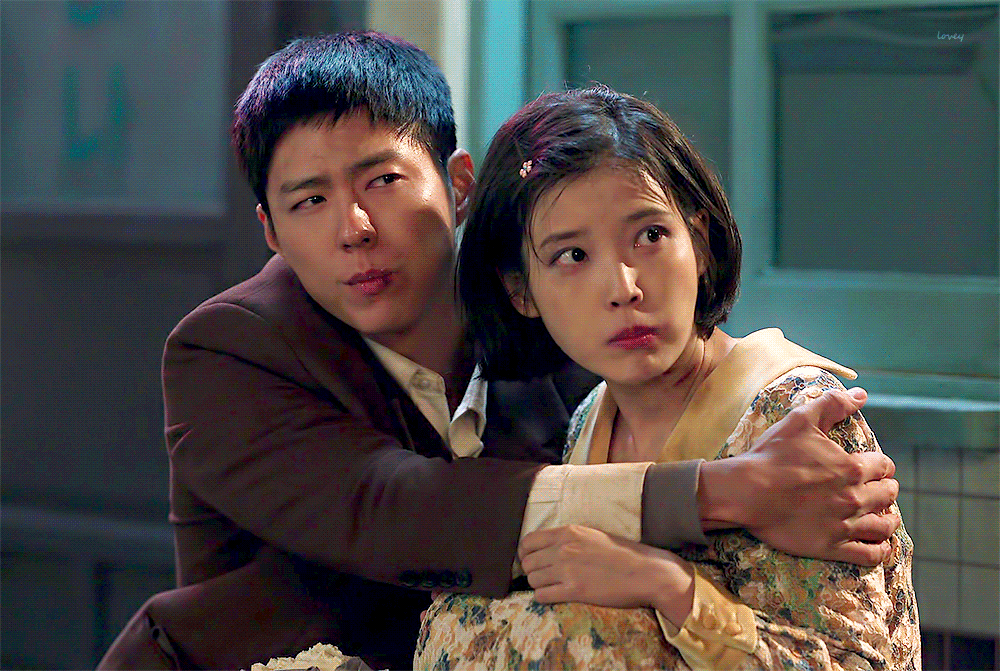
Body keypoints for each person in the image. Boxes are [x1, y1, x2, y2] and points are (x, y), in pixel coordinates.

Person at [98, 34, 902, 671]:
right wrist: (722, 491)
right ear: (271, 230)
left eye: (382, 181)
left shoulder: (557, 310)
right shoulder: (227, 349)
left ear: (458, 186)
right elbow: (396, 507)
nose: (354, 228)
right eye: (309, 200)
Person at [415, 86, 919, 670]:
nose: (623, 287)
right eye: (572, 256)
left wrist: (666, 583)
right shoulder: (590, 418)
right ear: (521, 291)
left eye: (650, 236)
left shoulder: (793, 411)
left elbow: (860, 662)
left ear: (698, 243)